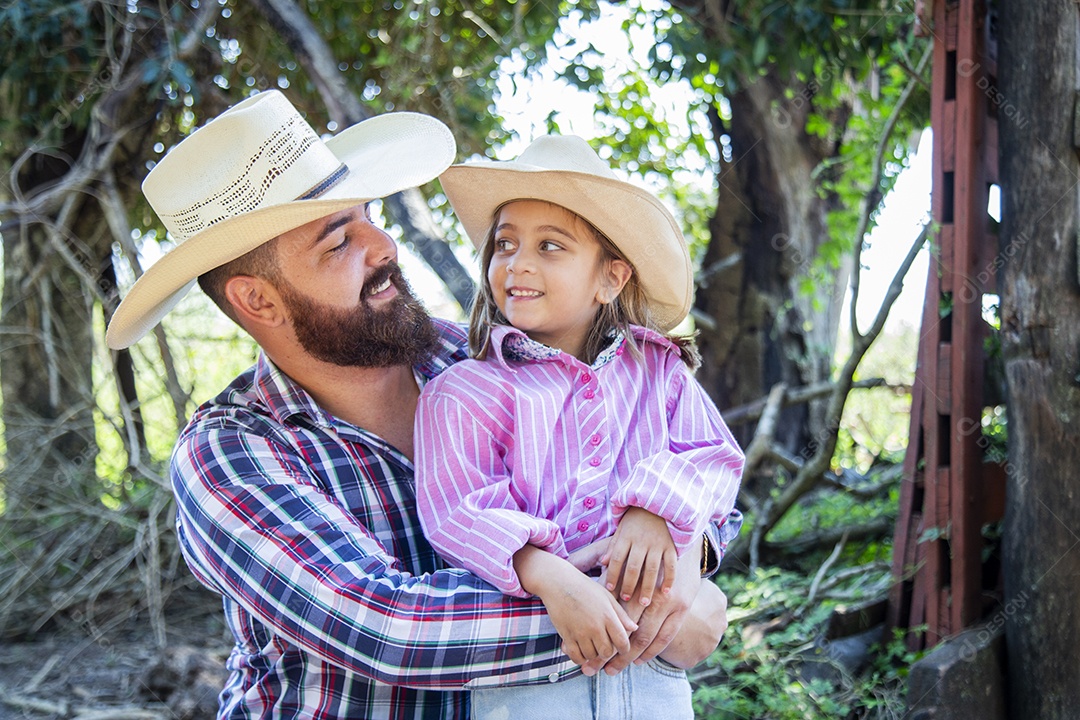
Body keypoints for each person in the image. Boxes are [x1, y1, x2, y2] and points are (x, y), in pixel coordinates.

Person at [104, 90, 731, 720]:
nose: (384, 247)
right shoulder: (232, 453)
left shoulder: (488, 361)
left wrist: (687, 556)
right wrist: (649, 620)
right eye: (338, 242)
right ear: (259, 302)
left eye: (370, 215)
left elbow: (681, 467)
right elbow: (388, 631)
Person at [415, 136, 745, 719]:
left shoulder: (658, 372)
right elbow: (458, 510)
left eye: (550, 247)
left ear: (610, 278)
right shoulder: (464, 391)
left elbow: (713, 456)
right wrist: (549, 578)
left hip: (653, 663)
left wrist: (655, 509)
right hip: (530, 677)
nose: (517, 263)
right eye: (506, 244)